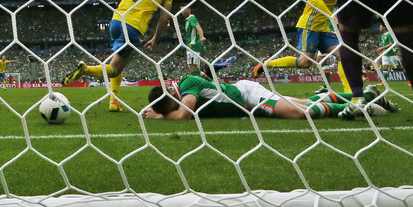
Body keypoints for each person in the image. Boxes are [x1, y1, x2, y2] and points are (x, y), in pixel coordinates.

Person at [62, 0, 172, 112]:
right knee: (114, 69)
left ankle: (114, 102)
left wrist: (121, 5)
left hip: (116, 21)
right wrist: (155, 38)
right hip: (134, 27)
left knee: (119, 64)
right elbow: (165, 18)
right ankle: (85, 70)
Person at [252, 0, 351, 93]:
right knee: (305, 63)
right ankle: (266, 64)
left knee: (344, 55)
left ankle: (349, 93)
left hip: (323, 28)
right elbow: (316, 0)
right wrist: (331, 16)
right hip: (309, 26)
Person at [143, 75, 398, 121]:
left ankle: (360, 105)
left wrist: (158, 117)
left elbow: (184, 115)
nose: (174, 109)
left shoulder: (187, 85)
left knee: (299, 114)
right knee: (307, 104)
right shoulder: (176, 92)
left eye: (171, 106)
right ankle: (368, 97)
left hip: (248, 96)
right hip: (244, 98)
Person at [180, 4, 207, 76]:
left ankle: (197, 82)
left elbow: (198, 27)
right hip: (190, 44)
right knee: (193, 66)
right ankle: (207, 81)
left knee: (193, 66)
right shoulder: (187, 20)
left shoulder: (192, 18)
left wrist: (202, 36)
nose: (183, 11)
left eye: (184, 9)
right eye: (181, 10)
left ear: (189, 9)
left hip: (193, 44)